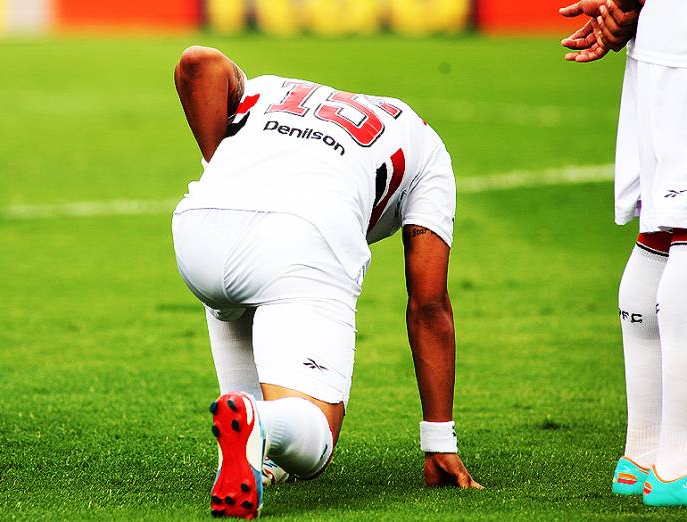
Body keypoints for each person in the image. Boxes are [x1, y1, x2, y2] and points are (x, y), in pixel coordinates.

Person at [170, 46, 481, 519]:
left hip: (197, 231)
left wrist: (219, 170)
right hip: (301, 237)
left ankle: (253, 450)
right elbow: (428, 303)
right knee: (316, 438)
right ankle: (263, 425)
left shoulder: (270, 89)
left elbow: (197, 63)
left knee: (235, 299)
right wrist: (439, 438)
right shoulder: (426, 147)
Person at [562, 0, 687, 507]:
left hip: (662, 35)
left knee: (662, 232)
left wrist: (629, 5)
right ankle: (678, 463)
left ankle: (643, 455)